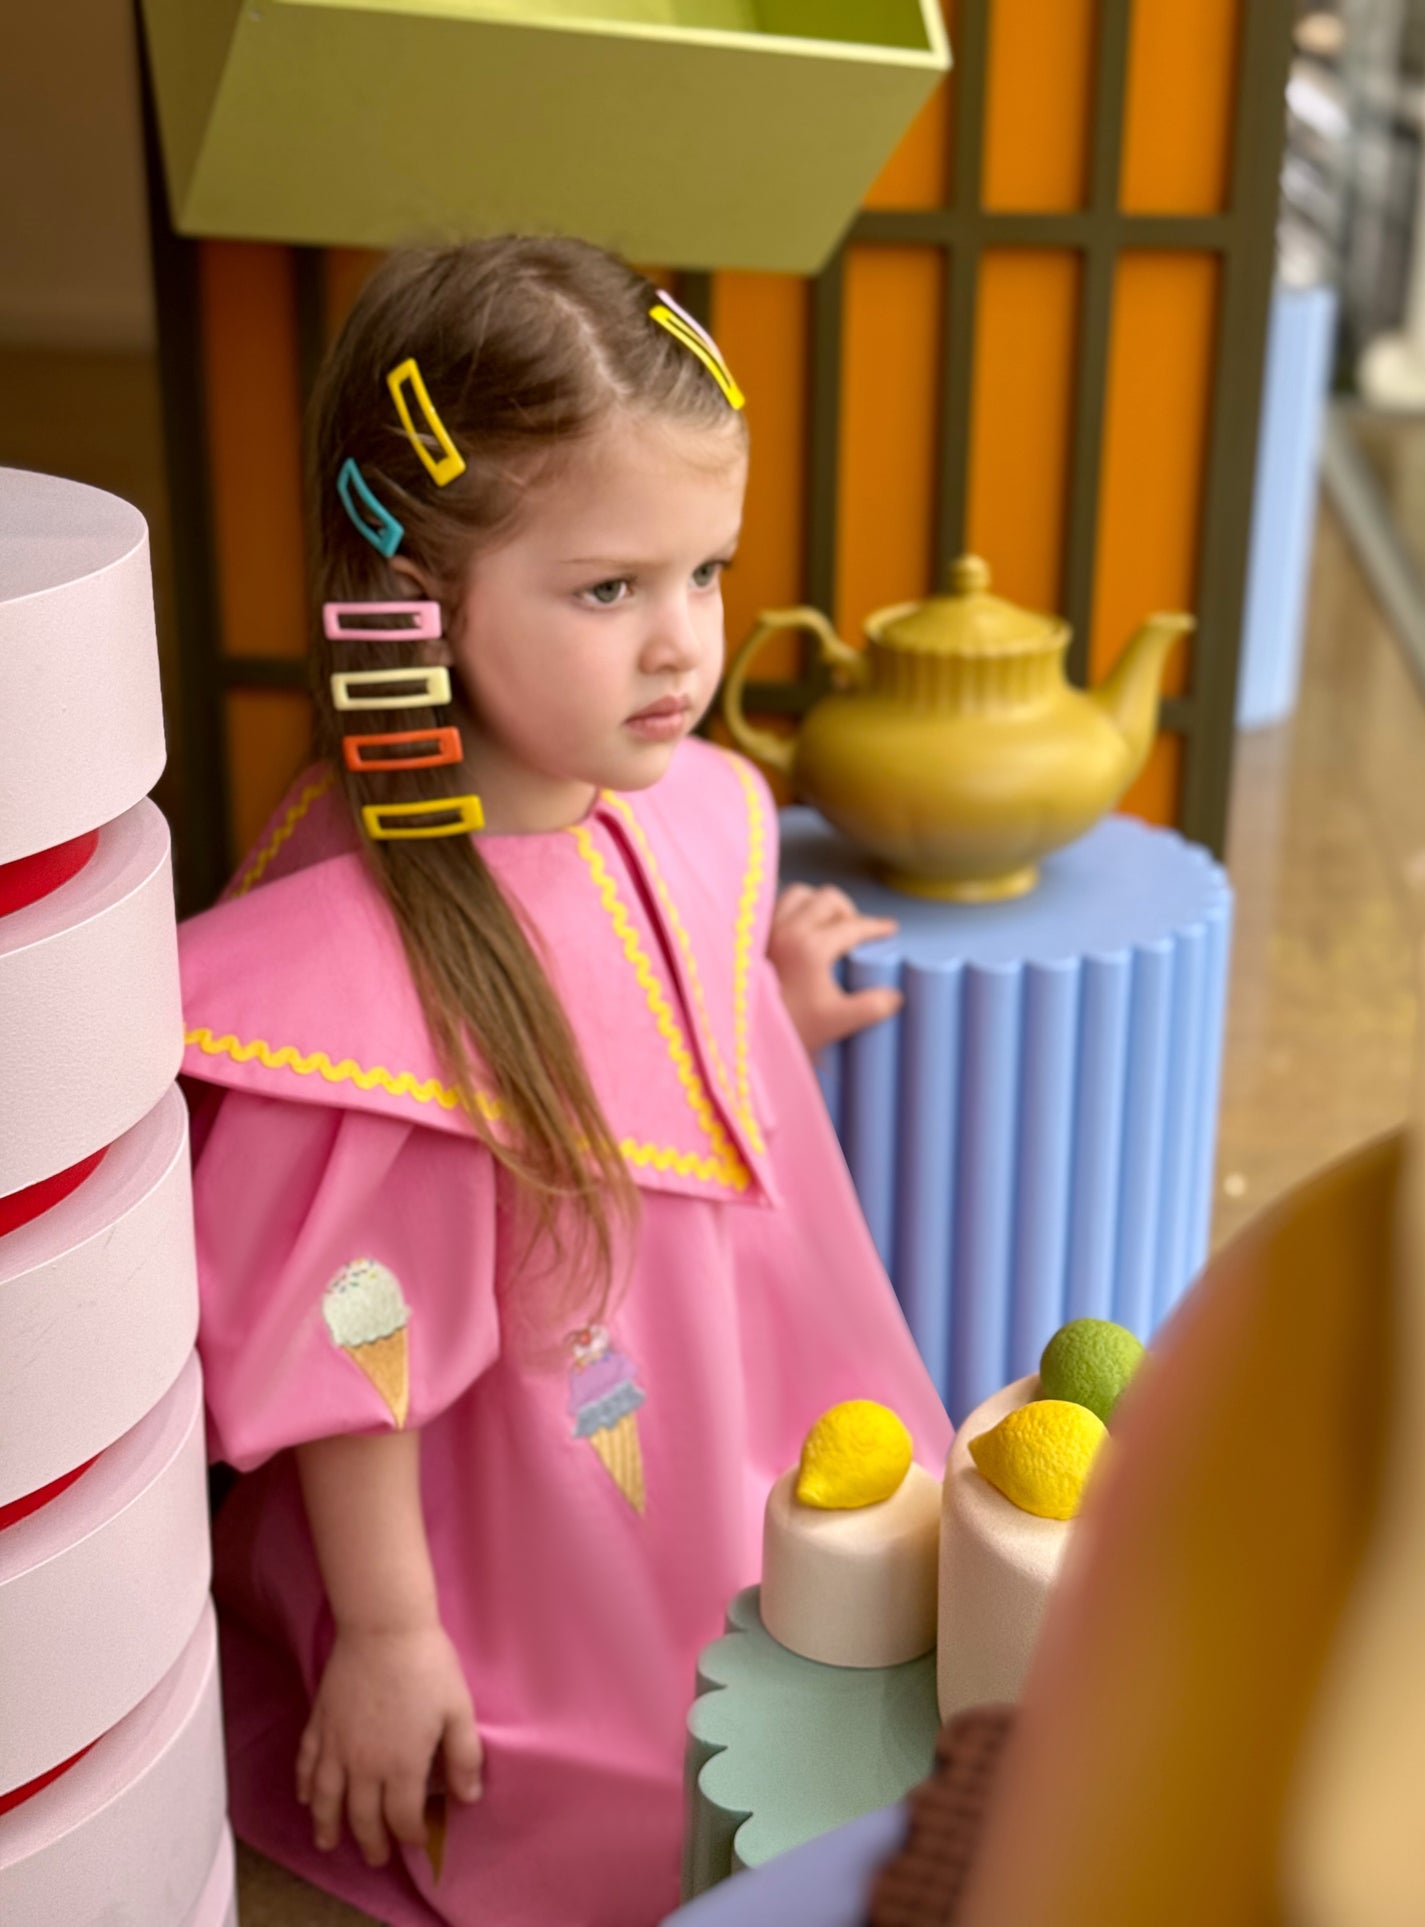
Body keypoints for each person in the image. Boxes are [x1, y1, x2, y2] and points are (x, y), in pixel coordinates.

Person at [179, 235, 954, 1927]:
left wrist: (756, 1031)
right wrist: (387, 1636)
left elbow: (639, 1026)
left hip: (735, 1375)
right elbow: (353, 1334)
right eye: (608, 590)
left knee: (854, 1633)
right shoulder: (373, 963)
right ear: (421, 602)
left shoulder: (670, 806)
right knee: (653, 1765)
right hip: (534, 1524)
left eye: (706, 572)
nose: (681, 645)